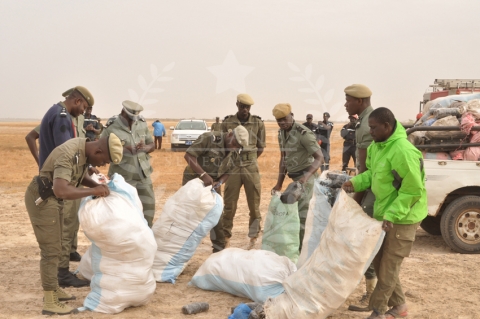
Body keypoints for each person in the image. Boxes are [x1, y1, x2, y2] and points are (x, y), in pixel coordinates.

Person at [342, 107, 427, 319]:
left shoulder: (403, 151)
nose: (369, 131)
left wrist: (392, 215)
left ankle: (378, 311)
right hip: (385, 214)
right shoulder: (377, 146)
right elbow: (371, 174)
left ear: (387, 126)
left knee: (389, 266)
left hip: (403, 217)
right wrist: (354, 182)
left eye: (373, 128)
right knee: (380, 263)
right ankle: (399, 308)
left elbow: (413, 190)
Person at [25, 133, 123, 315]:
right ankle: (49, 301)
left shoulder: (84, 149)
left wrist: (95, 185)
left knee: (59, 245)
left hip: (53, 201)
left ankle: (54, 289)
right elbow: (61, 189)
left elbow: (77, 176)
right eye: (104, 160)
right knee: (51, 250)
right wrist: (94, 190)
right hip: (43, 200)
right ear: (99, 150)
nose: (102, 165)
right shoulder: (69, 153)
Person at [38, 86, 94, 288]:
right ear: (77, 101)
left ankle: (59, 271)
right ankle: (61, 273)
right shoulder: (62, 117)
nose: (83, 112)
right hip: (60, 180)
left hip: (55, 178)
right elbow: (68, 152)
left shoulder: (56, 112)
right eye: (84, 107)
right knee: (63, 227)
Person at [182, 126, 249, 252]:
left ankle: (218, 250)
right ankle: (181, 249)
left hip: (212, 184)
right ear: (230, 135)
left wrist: (219, 182)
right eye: (234, 144)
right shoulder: (209, 138)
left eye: (238, 147)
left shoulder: (235, 151)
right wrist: (203, 175)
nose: (235, 148)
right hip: (194, 180)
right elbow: (189, 156)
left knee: (217, 217)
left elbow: (229, 172)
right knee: (190, 215)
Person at [344, 84, 378, 311]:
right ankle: (373, 292)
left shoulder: (367, 124)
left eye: (348, 100)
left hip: (370, 190)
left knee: (368, 242)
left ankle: (373, 296)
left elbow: (365, 169)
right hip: (372, 187)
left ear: (360, 101)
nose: (345, 104)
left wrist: (356, 198)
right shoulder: (367, 119)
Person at [271, 103, 324, 250]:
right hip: (295, 180)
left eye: (284, 119)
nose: (282, 123)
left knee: (303, 217)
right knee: (293, 215)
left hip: (307, 179)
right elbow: (284, 158)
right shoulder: (281, 133)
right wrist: (279, 184)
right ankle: (299, 247)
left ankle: (303, 251)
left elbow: (320, 158)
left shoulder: (303, 134)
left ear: (291, 115)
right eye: (278, 120)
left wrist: (305, 178)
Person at [221, 94, 266, 249]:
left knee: (254, 204)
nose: (245, 109)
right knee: (229, 204)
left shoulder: (258, 123)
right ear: (237, 105)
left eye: (248, 107)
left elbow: (261, 147)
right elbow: (223, 144)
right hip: (232, 166)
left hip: (250, 166)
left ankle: (253, 237)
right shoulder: (228, 122)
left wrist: (250, 158)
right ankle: (225, 236)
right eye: (242, 106)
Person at [102, 100, 156, 227]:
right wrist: (125, 150)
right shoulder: (111, 127)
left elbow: (152, 144)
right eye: (130, 118)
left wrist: (146, 148)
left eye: (134, 119)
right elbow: (102, 151)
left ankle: (146, 237)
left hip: (143, 175)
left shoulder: (141, 124)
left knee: (148, 208)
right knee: (124, 213)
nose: (132, 121)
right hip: (123, 177)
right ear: (123, 113)